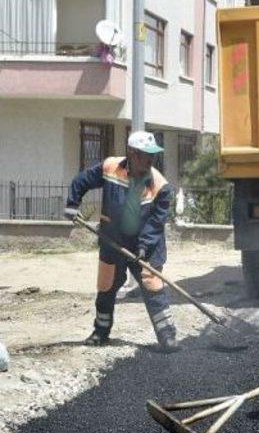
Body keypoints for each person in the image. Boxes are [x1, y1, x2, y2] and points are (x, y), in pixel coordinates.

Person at [64, 131, 179, 352]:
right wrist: (72, 204)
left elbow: (156, 222)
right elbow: (82, 181)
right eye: (147, 155)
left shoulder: (161, 186)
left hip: (146, 246)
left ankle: (167, 336)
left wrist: (144, 247)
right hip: (112, 240)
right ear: (133, 154)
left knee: (152, 287)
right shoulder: (110, 168)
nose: (151, 160)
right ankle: (101, 332)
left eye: (153, 156)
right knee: (106, 286)